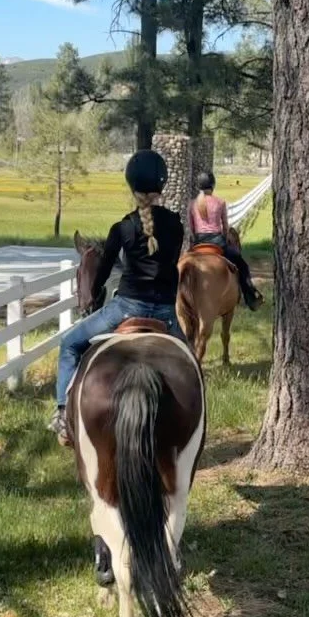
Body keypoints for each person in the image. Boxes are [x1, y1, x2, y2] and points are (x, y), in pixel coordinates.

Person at [48, 149, 185, 442]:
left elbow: (102, 272)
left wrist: (95, 292)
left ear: (131, 185)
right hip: (165, 314)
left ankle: (62, 413)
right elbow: (169, 260)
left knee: (69, 344)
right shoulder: (176, 225)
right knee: (192, 367)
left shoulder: (122, 228)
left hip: (125, 308)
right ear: (162, 185)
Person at [189, 171, 263, 310]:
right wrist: (224, 237)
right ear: (213, 185)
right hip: (218, 243)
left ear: (198, 186)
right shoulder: (220, 202)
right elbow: (225, 227)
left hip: (198, 244)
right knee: (242, 265)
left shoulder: (192, 204)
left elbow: (192, 228)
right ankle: (251, 298)